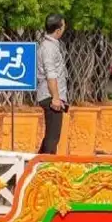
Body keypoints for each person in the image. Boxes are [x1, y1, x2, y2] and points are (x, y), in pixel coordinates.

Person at [36, 13, 69, 154]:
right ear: (58, 30)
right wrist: (55, 97)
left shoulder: (51, 45)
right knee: (52, 137)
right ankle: (45, 167)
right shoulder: (48, 48)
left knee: (51, 136)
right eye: (63, 25)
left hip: (52, 95)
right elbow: (51, 74)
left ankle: (37, 166)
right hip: (51, 97)